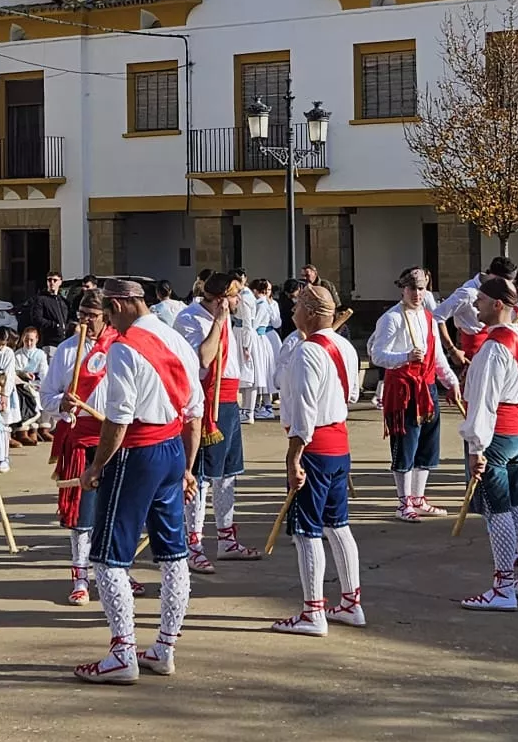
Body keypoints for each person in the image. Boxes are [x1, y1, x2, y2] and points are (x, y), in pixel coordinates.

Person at [73, 278, 202, 684]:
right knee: (172, 553)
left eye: (109, 311)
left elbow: (119, 418)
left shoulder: (125, 348)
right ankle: (165, 646)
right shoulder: (177, 338)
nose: (109, 319)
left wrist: (95, 467)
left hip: (137, 453)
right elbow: (194, 411)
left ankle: (122, 652)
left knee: (109, 554)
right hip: (172, 449)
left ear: (121, 304)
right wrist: (187, 466)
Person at [270, 283, 365, 636]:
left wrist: (293, 457)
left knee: (307, 530)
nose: (292, 313)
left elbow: (303, 410)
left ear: (310, 312)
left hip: (315, 445)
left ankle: (313, 611)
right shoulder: (343, 346)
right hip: (338, 443)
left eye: (296, 307)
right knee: (337, 524)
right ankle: (351, 602)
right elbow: (353, 394)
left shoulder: (307, 351)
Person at [457, 277, 518, 611]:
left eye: (480, 300)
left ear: (497, 305)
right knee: (516, 503)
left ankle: (504, 585)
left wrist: (476, 447)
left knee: (497, 507)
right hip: (516, 429)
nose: (475, 305)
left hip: (496, 432)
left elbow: (483, 400)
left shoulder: (494, 348)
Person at [41, 292, 123, 605]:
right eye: (81, 314)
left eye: (92, 315)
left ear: (107, 316)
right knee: (82, 514)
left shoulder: (121, 346)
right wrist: (61, 403)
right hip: (80, 439)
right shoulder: (66, 351)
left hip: (114, 437)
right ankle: (80, 576)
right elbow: (46, 396)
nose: (84, 321)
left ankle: (117, 570)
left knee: (115, 510)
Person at [172, 271, 256, 570]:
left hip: (229, 398)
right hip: (206, 401)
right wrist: (219, 322)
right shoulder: (190, 318)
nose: (238, 300)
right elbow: (203, 359)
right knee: (203, 475)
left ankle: (226, 538)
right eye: (234, 296)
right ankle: (192, 541)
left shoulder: (229, 318)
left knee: (228, 474)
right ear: (221, 299)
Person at [370, 268, 461, 522]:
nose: (418, 294)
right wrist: (405, 357)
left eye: (421, 289)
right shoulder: (391, 318)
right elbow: (377, 355)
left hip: (427, 387)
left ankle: (419, 497)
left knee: (428, 445)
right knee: (405, 445)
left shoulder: (430, 318)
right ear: (403, 289)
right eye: (413, 289)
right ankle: (403, 501)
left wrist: (451, 381)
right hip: (404, 389)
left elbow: (438, 356)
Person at [249, 279, 284, 419]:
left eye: (269, 290)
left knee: (268, 370)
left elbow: (277, 323)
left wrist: (271, 308)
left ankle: (266, 404)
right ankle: (260, 404)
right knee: (262, 371)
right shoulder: (257, 303)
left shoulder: (270, 304)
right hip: (261, 336)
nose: (267, 292)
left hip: (268, 336)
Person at [29, 273, 72, 348]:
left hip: (64, 341)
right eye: (49, 280)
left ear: (60, 282)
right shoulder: (41, 299)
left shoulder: (63, 301)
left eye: (55, 280)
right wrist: (54, 325)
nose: (52, 282)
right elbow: (37, 319)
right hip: (49, 342)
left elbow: (69, 318)